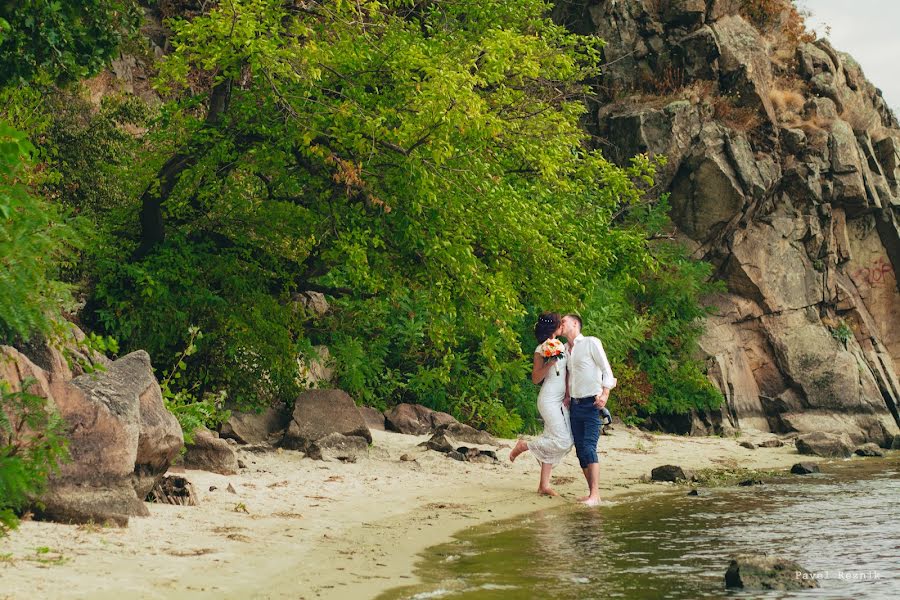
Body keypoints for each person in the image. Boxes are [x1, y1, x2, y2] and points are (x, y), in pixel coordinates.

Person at [509, 312, 574, 496]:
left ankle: (544, 485)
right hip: (548, 398)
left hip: (560, 399)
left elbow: (567, 372)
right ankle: (525, 445)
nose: (562, 326)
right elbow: (536, 378)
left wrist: (568, 394)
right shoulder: (540, 349)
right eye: (559, 324)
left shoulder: (562, 345)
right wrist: (550, 362)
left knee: (557, 438)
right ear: (553, 328)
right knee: (562, 439)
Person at [560, 313, 616, 506]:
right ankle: (593, 493)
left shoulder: (591, 342)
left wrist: (605, 394)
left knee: (589, 447)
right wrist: (567, 395)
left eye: (564, 321)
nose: (561, 324)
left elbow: (606, 369)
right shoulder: (565, 349)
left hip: (592, 404)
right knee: (580, 450)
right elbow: (569, 375)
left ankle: (595, 494)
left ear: (575, 324)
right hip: (575, 405)